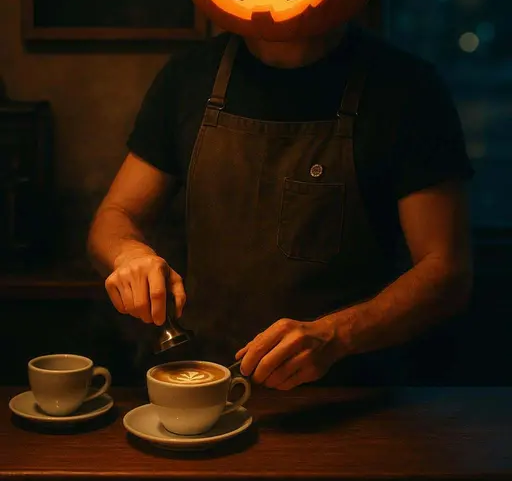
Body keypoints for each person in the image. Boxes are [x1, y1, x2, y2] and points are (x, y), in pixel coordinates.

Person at [87, 19, 474, 390]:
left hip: (348, 396)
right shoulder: (188, 77)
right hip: (206, 381)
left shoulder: (407, 88)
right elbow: (114, 217)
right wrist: (128, 254)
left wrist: (335, 336)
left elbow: (446, 272)